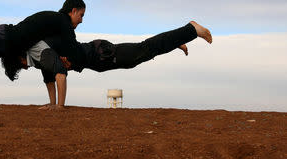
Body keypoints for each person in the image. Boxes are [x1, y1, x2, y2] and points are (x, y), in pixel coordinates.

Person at [18, 20, 212, 109]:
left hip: (103, 54)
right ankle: (173, 40)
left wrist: (58, 106)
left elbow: (59, 72)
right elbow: (49, 76)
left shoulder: (41, 52)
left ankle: (191, 29)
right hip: (101, 58)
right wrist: (52, 104)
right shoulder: (40, 57)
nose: (24, 67)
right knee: (143, 52)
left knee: (142, 51)